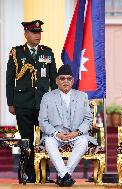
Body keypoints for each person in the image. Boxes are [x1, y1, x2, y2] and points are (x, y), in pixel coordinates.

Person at [6, 20, 57, 183]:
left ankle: (44, 173)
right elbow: (9, 79)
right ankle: (29, 173)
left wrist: (56, 101)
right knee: (26, 140)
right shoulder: (16, 52)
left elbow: (54, 78)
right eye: (34, 32)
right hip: (22, 103)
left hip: (43, 103)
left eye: (39, 32)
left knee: (45, 139)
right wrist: (10, 102)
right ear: (26, 34)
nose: (37, 35)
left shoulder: (47, 52)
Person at [38, 64, 96, 187]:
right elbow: (43, 121)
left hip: (75, 134)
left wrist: (78, 132)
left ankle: (63, 175)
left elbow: (88, 119)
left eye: (69, 79)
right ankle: (65, 176)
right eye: (62, 78)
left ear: (73, 81)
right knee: (49, 141)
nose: (66, 81)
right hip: (56, 134)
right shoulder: (47, 97)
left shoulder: (82, 96)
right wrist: (55, 133)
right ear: (57, 80)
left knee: (83, 141)